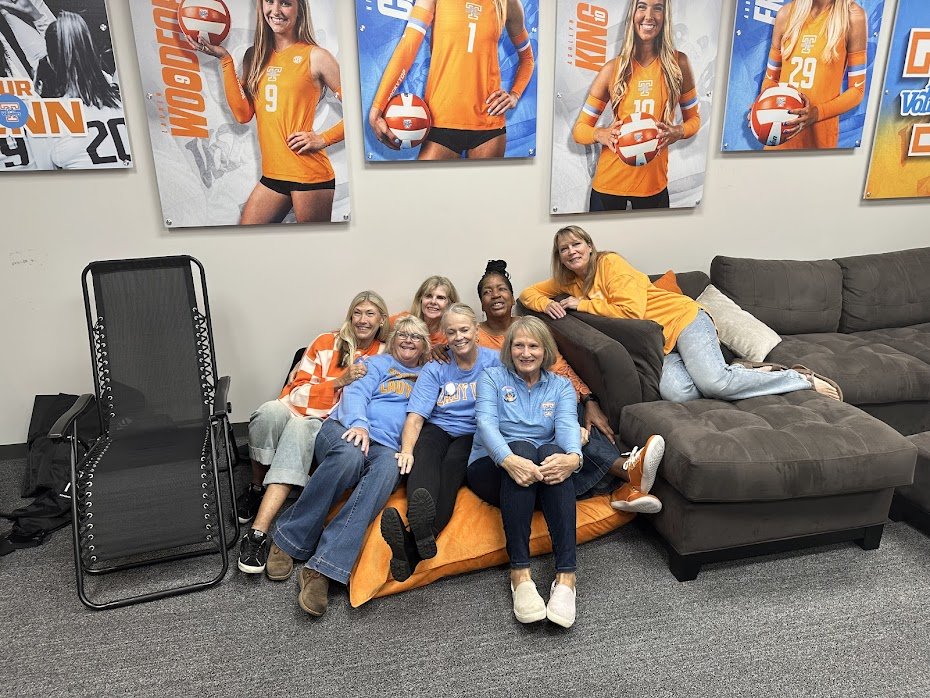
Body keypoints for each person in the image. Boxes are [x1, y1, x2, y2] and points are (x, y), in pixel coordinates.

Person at [519, 226, 843, 404]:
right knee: (679, 394)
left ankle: (798, 378)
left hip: (684, 319)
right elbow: (528, 293)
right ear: (560, 257)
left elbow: (630, 311)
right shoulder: (569, 281)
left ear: (590, 247)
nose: (572, 252)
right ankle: (740, 373)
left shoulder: (610, 264)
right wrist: (547, 304)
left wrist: (582, 305)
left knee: (713, 383)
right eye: (564, 249)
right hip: (661, 344)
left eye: (577, 244)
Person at [271, 315, 431, 616]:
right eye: (403, 335)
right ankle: (290, 538)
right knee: (349, 456)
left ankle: (324, 568)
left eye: (416, 337)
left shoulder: (429, 376)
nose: (408, 340)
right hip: (345, 428)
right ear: (392, 339)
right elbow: (355, 394)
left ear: (425, 346)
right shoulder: (377, 364)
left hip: (388, 448)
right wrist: (360, 425)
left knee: (387, 469)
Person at [477, 260, 663, 513]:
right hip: (510, 411)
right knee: (563, 433)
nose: (495, 295)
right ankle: (624, 473)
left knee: (578, 421)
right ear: (481, 303)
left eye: (502, 289)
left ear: (512, 297)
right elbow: (447, 349)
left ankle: (625, 485)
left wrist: (589, 400)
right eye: (487, 291)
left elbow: (560, 368)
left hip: (545, 398)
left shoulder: (531, 327)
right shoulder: (472, 335)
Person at [237, 291, 389, 577]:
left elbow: (418, 326)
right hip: (299, 407)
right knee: (268, 412)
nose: (363, 320)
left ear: (382, 319)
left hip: (327, 422)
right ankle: (256, 488)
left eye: (371, 314)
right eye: (357, 312)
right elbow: (296, 394)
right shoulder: (325, 342)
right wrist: (337, 383)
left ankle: (258, 532)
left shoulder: (384, 353)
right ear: (349, 315)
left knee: (301, 427)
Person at [466, 316, 582, 628]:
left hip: (540, 474)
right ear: (509, 349)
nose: (526, 352)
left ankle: (567, 576)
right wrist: (508, 459)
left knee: (551, 452)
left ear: (545, 351)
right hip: (492, 468)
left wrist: (573, 458)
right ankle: (519, 572)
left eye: (533, 346)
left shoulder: (561, 386)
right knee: (523, 449)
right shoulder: (491, 377)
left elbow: (568, 425)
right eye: (519, 345)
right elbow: (486, 424)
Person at [380, 304, 500, 582]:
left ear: (476, 330)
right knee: (425, 455)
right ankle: (421, 528)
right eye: (451, 331)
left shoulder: (494, 361)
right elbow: (416, 416)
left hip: (473, 432)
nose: (458, 337)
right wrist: (407, 450)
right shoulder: (437, 366)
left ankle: (413, 542)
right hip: (439, 426)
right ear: (444, 336)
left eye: (464, 330)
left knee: (452, 467)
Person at [195, 0, 344, 223]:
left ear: (299, 9)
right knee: (250, 241)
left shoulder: (317, 57)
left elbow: (358, 112)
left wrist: (323, 139)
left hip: (309, 174)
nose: (275, 11)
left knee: (313, 250)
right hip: (273, 175)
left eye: (285, 3)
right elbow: (242, 114)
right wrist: (225, 60)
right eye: (269, 2)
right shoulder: (253, 56)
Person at [571, 0, 699, 210]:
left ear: (665, 16)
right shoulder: (613, 69)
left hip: (653, 187)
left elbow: (694, 119)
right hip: (609, 186)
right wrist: (600, 134)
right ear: (632, 14)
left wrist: (679, 131)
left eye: (657, 8)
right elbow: (579, 130)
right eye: (642, 6)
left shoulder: (679, 64)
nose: (649, 15)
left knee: (654, 243)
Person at [368, 0, 535, 160]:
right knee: (423, 188)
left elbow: (527, 58)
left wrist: (514, 95)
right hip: (440, 119)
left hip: (490, 123)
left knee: (486, 190)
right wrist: (378, 106)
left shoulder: (508, 3)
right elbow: (407, 49)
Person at [756, 0, 867, 149]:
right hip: (779, 140)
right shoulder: (786, 14)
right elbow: (770, 79)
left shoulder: (853, 16)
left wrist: (817, 113)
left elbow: (857, 91)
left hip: (819, 143)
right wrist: (761, 108)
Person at [30, 11, 130, 170]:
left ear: (50, 61)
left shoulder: (47, 116)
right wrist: (37, 16)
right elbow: (74, 48)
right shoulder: (125, 96)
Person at [390, 275, 459, 348]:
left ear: (450, 304)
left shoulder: (455, 333)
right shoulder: (401, 321)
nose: (433, 302)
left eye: (440, 298)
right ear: (420, 299)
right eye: (428, 296)